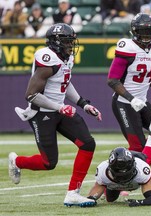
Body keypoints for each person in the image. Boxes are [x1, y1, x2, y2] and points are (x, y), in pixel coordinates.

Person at [8, 23, 102, 207]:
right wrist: (60, 108)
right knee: (48, 163)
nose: (71, 45)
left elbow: (64, 83)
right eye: (68, 41)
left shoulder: (66, 58)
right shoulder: (47, 59)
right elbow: (31, 95)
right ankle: (16, 161)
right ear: (56, 43)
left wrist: (84, 104)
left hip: (60, 109)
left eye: (71, 41)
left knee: (87, 144)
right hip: (41, 112)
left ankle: (73, 193)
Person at [107, 13, 151, 153]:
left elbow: (148, 75)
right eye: (143, 33)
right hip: (123, 103)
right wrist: (131, 99)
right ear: (135, 32)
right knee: (138, 147)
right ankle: (123, 163)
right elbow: (112, 80)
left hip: (141, 101)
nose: (147, 37)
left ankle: (134, 156)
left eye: (149, 32)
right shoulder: (127, 47)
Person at [87, 115, 151, 207]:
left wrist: (139, 202)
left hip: (137, 160)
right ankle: (109, 188)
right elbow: (90, 198)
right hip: (114, 182)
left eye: (125, 174)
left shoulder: (140, 168)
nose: (123, 179)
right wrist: (89, 200)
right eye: (120, 175)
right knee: (110, 199)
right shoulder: (103, 171)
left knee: (146, 160)